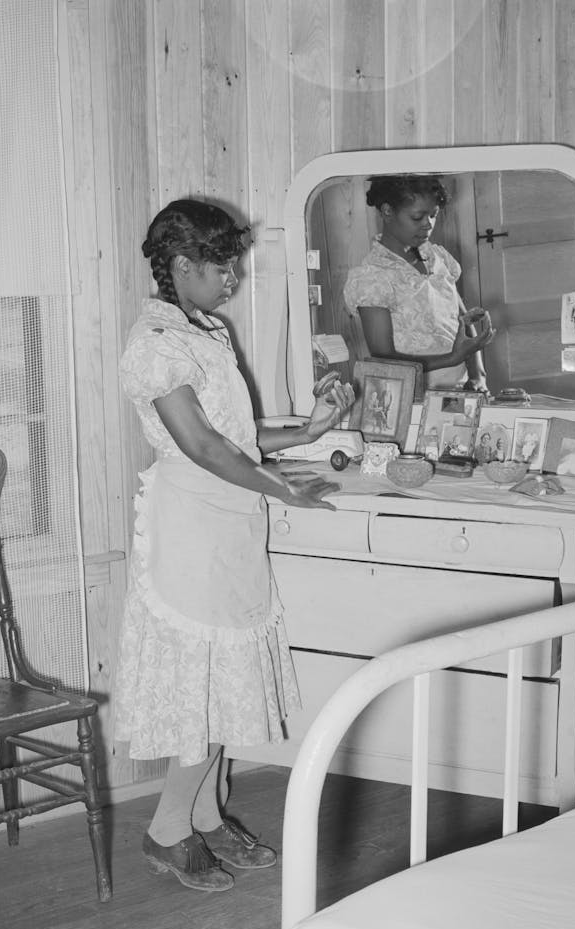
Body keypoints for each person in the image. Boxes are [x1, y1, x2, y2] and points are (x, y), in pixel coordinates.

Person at [114, 198, 354, 892]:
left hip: (230, 521)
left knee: (223, 686)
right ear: (182, 266)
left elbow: (237, 437)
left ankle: (209, 816)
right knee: (201, 688)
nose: (233, 279)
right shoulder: (155, 345)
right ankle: (166, 832)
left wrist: (305, 434)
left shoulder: (206, 331)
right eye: (223, 267)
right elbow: (203, 445)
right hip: (190, 527)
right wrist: (284, 490)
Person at [343, 174, 495, 393]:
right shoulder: (372, 277)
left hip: (461, 388)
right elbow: (385, 359)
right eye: (417, 217)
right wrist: (451, 358)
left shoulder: (438, 258)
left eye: (433, 216)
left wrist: (478, 375)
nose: (428, 225)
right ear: (387, 211)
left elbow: (463, 322)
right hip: (410, 394)